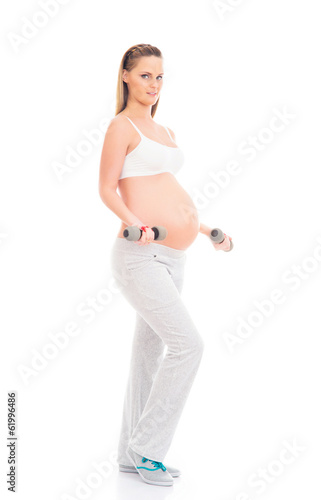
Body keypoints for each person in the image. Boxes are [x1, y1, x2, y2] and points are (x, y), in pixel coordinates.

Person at [98, 43, 232, 487]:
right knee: (189, 345)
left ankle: (127, 454)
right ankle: (148, 449)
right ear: (125, 77)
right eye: (144, 76)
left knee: (148, 354)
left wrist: (207, 230)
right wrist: (139, 225)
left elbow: (164, 188)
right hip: (140, 255)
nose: (153, 85)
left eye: (159, 77)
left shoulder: (164, 129)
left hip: (174, 258)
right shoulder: (121, 126)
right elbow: (108, 189)